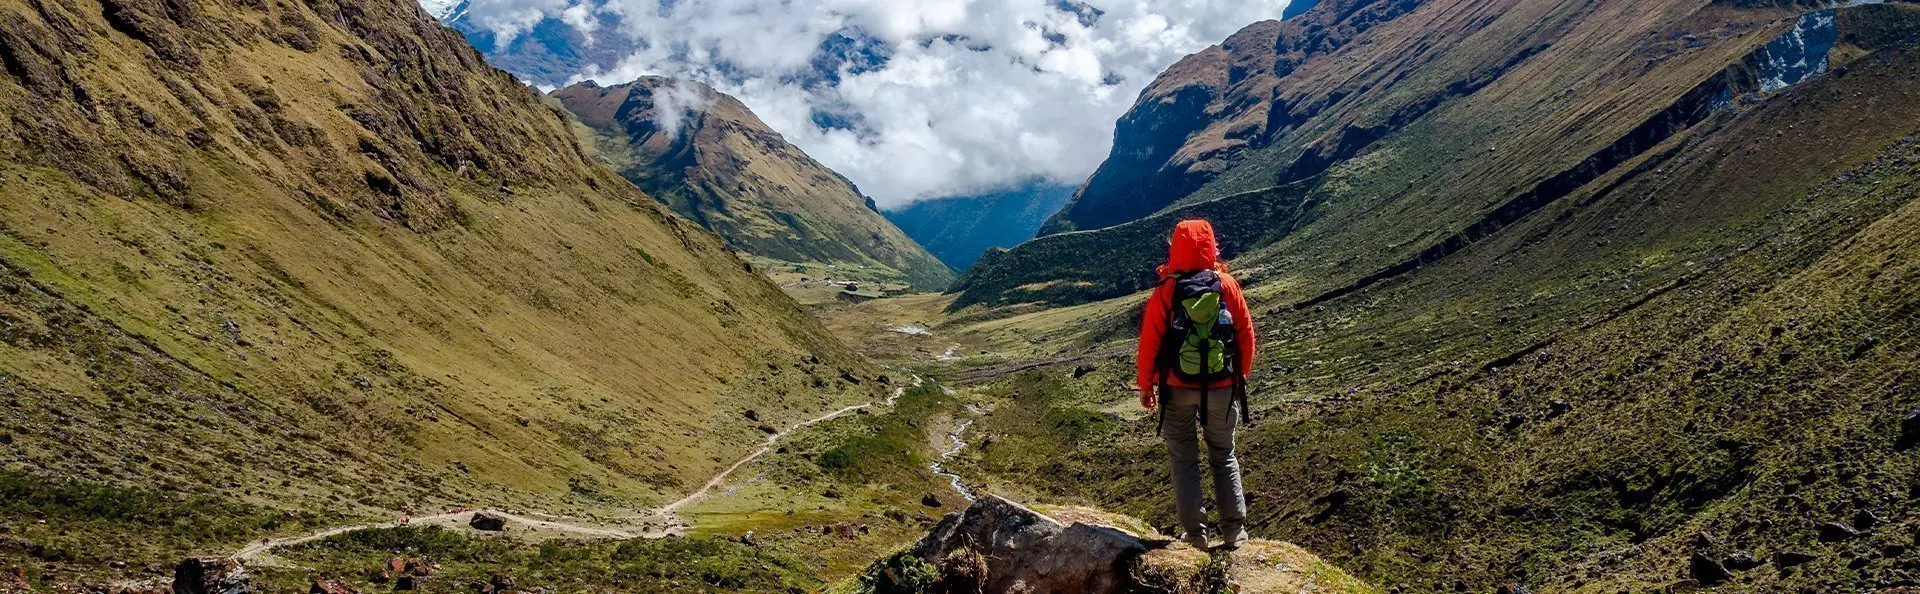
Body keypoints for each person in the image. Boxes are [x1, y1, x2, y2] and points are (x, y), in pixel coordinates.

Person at [1137, 219, 1255, 550]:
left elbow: (1149, 343)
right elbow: (1244, 332)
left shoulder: (1166, 291)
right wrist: (1239, 376)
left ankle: (1196, 535)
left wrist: (1146, 387)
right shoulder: (1227, 285)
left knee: (1184, 458)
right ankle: (1234, 532)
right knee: (1223, 453)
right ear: (1211, 246)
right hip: (1220, 386)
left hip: (1176, 389)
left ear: (1174, 248)